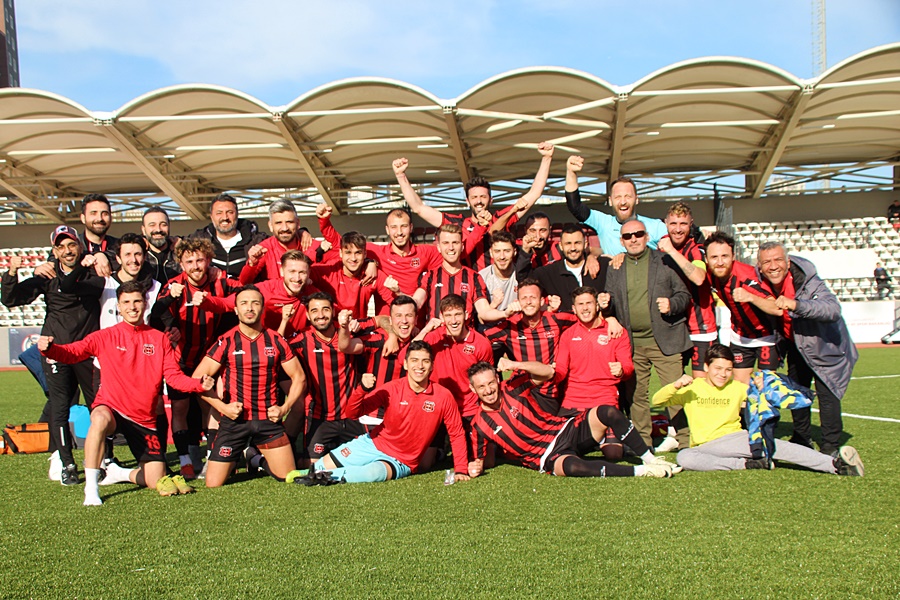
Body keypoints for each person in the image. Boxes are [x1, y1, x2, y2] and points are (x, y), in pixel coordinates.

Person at [37, 281, 215, 505]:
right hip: (111, 407)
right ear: (118, 307)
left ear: (145, 303)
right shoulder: (104, 336)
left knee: (154, 478)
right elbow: (73, 352)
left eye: (137, 301)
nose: (132, 307)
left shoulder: (160, 339)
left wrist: (198, 384)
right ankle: (91, 489)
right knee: (99, 418)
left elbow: (173, 377)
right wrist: (51, 349)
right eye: (126, 302)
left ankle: (117, 473)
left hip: (144, 418)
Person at [652, 344, 863, 476]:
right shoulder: (693, 387)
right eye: (717, 368)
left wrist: (763, 389)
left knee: (777, 447)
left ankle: (835, 465)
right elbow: (658, 400)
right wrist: (676, 385)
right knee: (685, 458)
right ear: (706, 367)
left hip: (732, 439)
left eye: (728, 370)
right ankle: (746, 465)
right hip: (703, 445)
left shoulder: (738, 388)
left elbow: (769, 399)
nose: (723, 374)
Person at [2, 225, 101, 485]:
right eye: (62, 246)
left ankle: (102, 459)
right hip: (55, 351)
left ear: (80, 246)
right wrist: (12, 272)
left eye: (72, 245)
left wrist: (90, 262)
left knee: (97, 405)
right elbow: (11, 300)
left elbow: (71, 286)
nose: (68, 251)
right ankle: (66, 461)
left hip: (87, 351)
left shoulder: (93, 272)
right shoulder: (45, 276)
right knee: (60, 407)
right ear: (55, 251)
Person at [468, 359, 680, 478]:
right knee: (573, 468)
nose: (488, 390)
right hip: (546, 457)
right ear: (473, 389)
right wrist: (475, 467)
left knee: (608, 412)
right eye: (481, 386)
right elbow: (482, 460)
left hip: (564, 430)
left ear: (497, 379)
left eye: (490, 383)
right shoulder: (479, 424)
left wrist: (516, 364)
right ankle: (643, 471)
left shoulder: (512, 387)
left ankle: (651, 459)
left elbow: (548, 373)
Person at [299, 341, 471, 484]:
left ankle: (326, 478)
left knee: (373, 473)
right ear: (405, 363)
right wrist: (362, 389)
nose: (419, 366)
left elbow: (456, 433)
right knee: (319, 466)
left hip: (402, 460)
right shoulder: (391, 389)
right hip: (372, 444)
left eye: (425, 361)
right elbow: (352, 413)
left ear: (432, 365)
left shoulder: (443, 396)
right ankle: (305, 474)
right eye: (414, 360)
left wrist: (461, 469)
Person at [191, 285, 307, 487]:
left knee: (288, 477)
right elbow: (197, 379)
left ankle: (255, 458)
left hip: (268, 422)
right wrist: (223, 407)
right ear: (236, 309)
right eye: (244, 303)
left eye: (255, 303)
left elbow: (299, 377)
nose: (249, 308)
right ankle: (245, 453)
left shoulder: (276, 340)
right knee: (213, 483)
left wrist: (284, 408)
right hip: (234, 423)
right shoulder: (226, 341)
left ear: (263, 309)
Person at [150, 237, 242, 478]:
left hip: (210, 356)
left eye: (200, 260)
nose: (195, 266)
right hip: (180, 357)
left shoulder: (220, 281)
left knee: (211, 402)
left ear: (208, 260)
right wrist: (171, 301)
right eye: (189, 261)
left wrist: (215, 302)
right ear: (181, 264)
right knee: (179, 408)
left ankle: (213, 458)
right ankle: (185, 461)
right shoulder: (173, 285)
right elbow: (154, 314)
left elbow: (245, 296)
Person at [756, 242, 859, 455]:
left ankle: (830, 445)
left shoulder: (810, 281)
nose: (773, 266)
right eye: (767, 262)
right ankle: (801, 438)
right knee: (798, 391)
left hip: (824, 346)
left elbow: (832, 309)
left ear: (788, 262)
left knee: (827, 393)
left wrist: (796, 305)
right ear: (760, 266)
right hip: (796, 344)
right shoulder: (759, 283)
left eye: (777, 260)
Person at [393, 142, 555, 271]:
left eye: (483, 197)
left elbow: (534, 193)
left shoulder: (502, 217)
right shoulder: (456, 223)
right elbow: (419, 208)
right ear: (467, 201)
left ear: (490, 200)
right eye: (474, 197)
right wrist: (401, 176)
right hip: (472, 289)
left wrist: (547, 158)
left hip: (503, 285)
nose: (479, 201)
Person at [604, 219, 692, 450]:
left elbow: (684, 294)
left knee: (676, 392)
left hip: (665, 339)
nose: (633, 239)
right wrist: (606, 307)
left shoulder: (665, 261)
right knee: (637, 396)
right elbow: (610, 299)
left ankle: (686, 439)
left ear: (646, 236)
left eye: (638, 234)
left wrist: (672, 304)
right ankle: (643, 442)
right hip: (632, 343)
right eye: (627, 236)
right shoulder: (615, 266)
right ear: (621, 241)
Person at [416, 294, 492, 466]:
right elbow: (405, 358)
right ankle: (441, 448)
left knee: (485, 462)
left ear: (466, 314)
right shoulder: (433, 338)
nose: (454, 320)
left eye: (457, 314)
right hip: (438, 407)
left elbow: (488, 379)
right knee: (425, 464)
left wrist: (486, 411)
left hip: (469, 409)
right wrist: (425, 329)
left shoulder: (481, 344)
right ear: (442, 317)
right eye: (448, 315)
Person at [483, 278, 578, 414]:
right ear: (517, 302)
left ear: (541, 301)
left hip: (548, 389)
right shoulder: (510, 326)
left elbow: (584, 318)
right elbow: (480, 338)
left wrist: (610, 318)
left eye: (533, 297)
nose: (528, 302)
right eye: (524, 298)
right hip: (521, 390)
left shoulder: (556, 320)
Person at [290, 293, 365, 464]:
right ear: (308, 315)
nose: (321, 315)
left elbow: (382, 323)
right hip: (320, 418)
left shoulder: (348, 336)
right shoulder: (301, 341)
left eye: (325, 309)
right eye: (314, 311)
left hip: (352, 416)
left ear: (333, 312)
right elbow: (274, 348)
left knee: (363, 460)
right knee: (311, 465)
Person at [704, 231, 780, 384]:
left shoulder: (746, 277)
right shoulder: (710, 273)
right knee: (739, 386)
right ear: (706, 259)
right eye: (714, 257)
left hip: (765, 336)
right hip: (740, 335)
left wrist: (750, 297)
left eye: (724, 256)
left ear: (733, 256)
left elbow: (777, 308)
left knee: (765, 387)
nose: (719, 262)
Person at [656, 202, 717, 378]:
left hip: (701, 326)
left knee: (703, 383)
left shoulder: (696, 249)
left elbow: (699, 277)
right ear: (666, 223)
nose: (677, 229)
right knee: (676, 383)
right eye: (673, 223)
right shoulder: (659, 248)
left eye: (683, 224)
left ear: (691, 224)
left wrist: (672, 252)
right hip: (674, 327)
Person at [413, 224, 516, 324]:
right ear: (439, 247)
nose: (451, 247)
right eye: (446, 243)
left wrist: (505, 313)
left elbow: (484, 311)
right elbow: (416, 302)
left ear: (462, 247)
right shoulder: (430, 276)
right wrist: (399, 294)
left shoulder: (474, 277)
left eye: (455, 243)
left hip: (466, 339)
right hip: (437, 338)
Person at [564, 156, 667, 255]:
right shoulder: (604, 223)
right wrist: (571, 172)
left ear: (636, 199)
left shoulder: (656, 227)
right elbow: (575, 207)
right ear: (610, 201)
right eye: (618, 197)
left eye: (628, 196)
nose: (623, 202)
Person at [555, 287, 634, 414]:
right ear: (574, 309)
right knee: (559, 433)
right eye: (580, 304)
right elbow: (561, 369)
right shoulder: (568, 335)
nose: (585, 308)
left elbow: (628, 367)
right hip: (573, 401)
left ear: (597, 306)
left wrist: (622, 370)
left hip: (605, 400)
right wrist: (548, 373)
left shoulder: (616, 332)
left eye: (589, 303)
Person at [515, 223, 610, 313]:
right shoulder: (550, 272)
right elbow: (523, 279)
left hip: (599, 326)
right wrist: (525, 251)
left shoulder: (602, 265)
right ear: (561, 246)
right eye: (568, 243)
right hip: (566, 328)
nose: (573, 248)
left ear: (585, 244)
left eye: (577, 243)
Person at [239, 200, 339, 284]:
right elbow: (245, 282)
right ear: (270, 226)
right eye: (278, 223)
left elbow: (342, 253)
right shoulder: (264, 249)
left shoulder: (309, 244)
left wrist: (324, 221)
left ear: (298, 223)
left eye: (289, 222)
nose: (285, 228)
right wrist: (252, 264)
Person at [308, 229, 394, 319]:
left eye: (358, 253)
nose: (353, 258)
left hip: (360, 328)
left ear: (365, 254)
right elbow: (298, 272)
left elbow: (396, 303)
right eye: (348, 252)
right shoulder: (328, 271)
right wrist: (317, 252)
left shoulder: (372, 274)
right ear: (341, 253)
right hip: (330, 328)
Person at [192, 193, 269, 278]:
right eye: (219, 213)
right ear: (211, 217)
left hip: (248, 289)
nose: (225, 217)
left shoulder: (258, 241)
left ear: (237, 214)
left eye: (230, 212)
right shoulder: (198, 242)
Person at [478, 231, 519, 311]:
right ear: (491, 253)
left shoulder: (522, 274)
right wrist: (494, 304)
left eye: (507, 251)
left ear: (514, 252)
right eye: (497, 251)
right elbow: (480, 318)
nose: (502, 256)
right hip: (492, 323)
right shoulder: (481, 277)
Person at [141, 207, 181, 284]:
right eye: (152, 225)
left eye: (163, 225)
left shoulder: (181, 253)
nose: (158, 230)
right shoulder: (139, 256)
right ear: (143, 230)